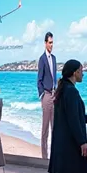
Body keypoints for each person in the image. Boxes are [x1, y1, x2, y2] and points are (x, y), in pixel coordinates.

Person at [37, 31, 57, 159]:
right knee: (45, 128)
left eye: (52, 43)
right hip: (46, 95)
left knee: (54, 127)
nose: (51, 45)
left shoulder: (54, 58)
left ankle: (55, 156)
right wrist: (42, 95)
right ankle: (44, 157)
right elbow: (39, 79)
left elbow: (54, 77)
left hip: (54, 95)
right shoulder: (42, 59)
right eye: (49, 43)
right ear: (45, 43)